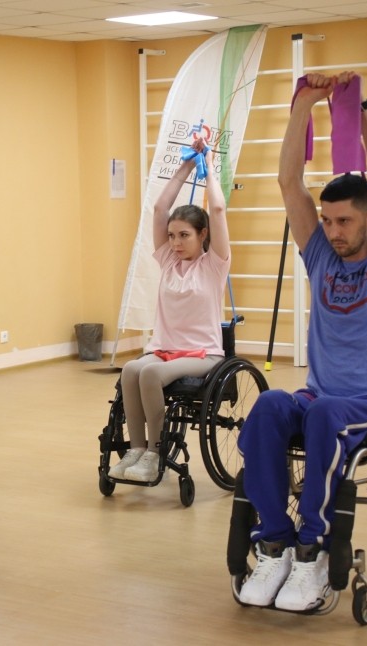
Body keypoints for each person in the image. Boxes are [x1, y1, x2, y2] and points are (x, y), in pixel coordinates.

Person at [235, 72, 367, 611]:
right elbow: (288, 181)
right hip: (321, 396)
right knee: (269, 406)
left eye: (344, 221)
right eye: (328, 221)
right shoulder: (320, 256)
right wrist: (305, 103)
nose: (334, 231)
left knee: (324, 415)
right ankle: (275, 544)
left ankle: (312, 549)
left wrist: (357, 108)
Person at [107, 135, 230, 483]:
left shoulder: (214, 265)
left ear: (203, 234)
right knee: (131, 369)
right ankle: (135, 450)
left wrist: (209, 166)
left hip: (202, 353)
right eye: (172, 236)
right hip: (164, 348)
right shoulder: (168, 262)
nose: (175, 242)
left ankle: (155, 453)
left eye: (184, 235)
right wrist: (187, 164)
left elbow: (218, 211)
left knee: (149, 374)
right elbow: (160, 209)